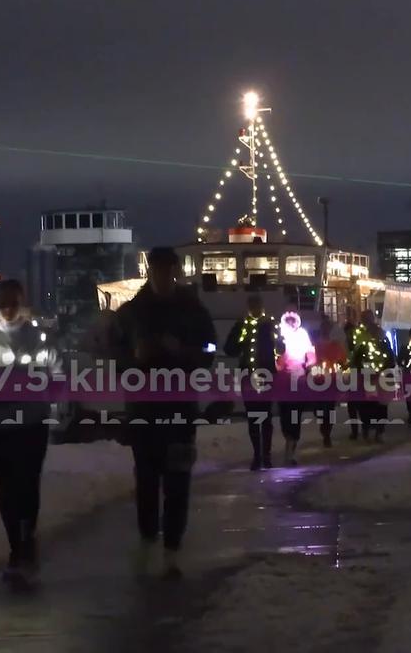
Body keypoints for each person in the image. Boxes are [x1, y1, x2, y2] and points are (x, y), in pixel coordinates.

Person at [108, 247, 216, 579]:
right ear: (150, 272)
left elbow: (211, 348)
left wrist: (184, 351)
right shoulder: (130, 313)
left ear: (176, 272)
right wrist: (134, 357)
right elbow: (112, 353)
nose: (163, 277)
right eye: (158, 271)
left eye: (168, 271)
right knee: (147, 478)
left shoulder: (193, 311)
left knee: (178, 480)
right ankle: (148, 537)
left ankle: (172, 547)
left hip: (181, 408)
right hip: (143, 409)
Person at [0, 279, 59, 589]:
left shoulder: (40, 339)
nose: (7, 309)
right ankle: (17, 550)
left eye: (12, 303)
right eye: (2, 303)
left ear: (22, 302)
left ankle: (26, 545)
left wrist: (35, 389)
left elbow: (59, 379)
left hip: (31, 424)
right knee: (6, 490)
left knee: (28, 486)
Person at [225, 294, 283, 470]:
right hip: (249, 376)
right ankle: (258, 455)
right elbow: (230, 349)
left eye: (256, 305)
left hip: (265, 375)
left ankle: (265, 455)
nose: (255, 308)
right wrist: (239, 335)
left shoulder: (270, 324)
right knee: (253, 417)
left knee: (264, 417)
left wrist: (278, 343)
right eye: (252, 305)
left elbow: (281, 349)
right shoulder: (242, 325)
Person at [276, 310, 315, 465]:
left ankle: (291, 445)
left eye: (293, 321)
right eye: (288, 321)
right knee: (285, 414)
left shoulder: (302, 335)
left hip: (298, 379)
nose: (291, 324)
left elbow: (310, 353)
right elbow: (276, 356)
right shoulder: (280, 336)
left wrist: (309, 364)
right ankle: (289, 440)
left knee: (294, 414)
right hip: (283, 381)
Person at [348, 309, 394, 443]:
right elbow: (355, 355)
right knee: (367, 405)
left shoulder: (381, 335)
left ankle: (377, 431)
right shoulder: (359, 335)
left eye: (367, 319)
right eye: (365, 319)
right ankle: (369, 429)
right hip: (366, 375)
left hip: (379, 375)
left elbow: (389, 356)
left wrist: (381, 369)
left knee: (379, 405)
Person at [312, 317, 347, 447]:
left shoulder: (335, 345)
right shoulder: (315, 344)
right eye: (324, 327)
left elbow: (343, 360)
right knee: (320, 407)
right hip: (318, 379)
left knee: (329, 408)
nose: (326, 329)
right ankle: (324, 427)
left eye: (328, 327)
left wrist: (341, 367)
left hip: (331, 380)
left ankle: (326, 433)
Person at [343, 321, 361, 440]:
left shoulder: (358, 344)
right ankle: (355, 430)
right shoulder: (345, 344)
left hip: (359, 376)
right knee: (352, 407)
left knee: (359, 406)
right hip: (350, 378)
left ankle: (362, 429)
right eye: (347, 333)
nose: (349, 335)